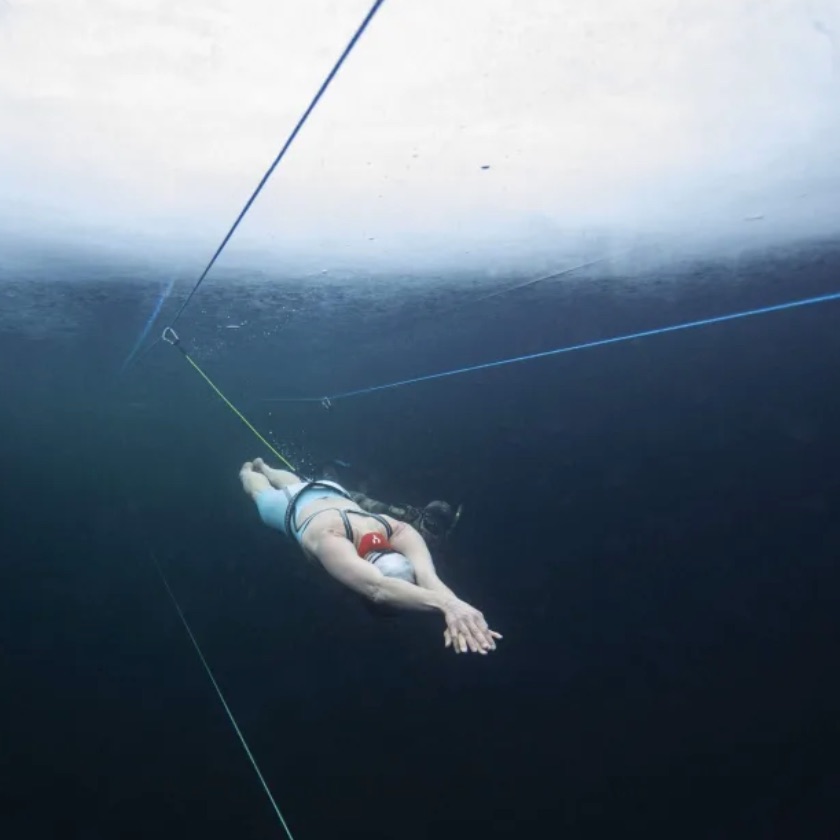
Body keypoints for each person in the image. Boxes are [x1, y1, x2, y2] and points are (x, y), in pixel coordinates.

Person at [239, 458, 501, 655]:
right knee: (290, 483)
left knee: (263, 490)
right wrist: (454, 605)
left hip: (293, 505)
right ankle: (262, 468)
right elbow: (427, 578)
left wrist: (449, 606)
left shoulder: (332, 541)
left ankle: (252, 469)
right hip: (325, 493)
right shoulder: (392, 530)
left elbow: (379, 588)